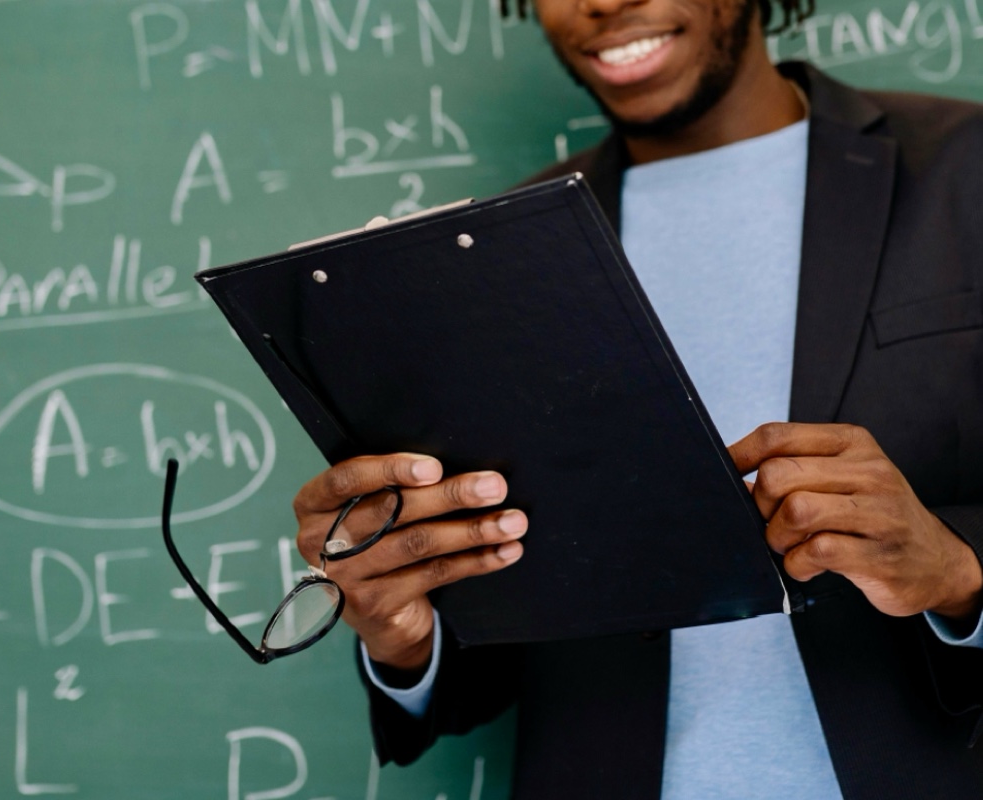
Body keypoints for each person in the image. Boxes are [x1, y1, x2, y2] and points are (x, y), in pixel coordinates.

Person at [291, 0, 983, 797]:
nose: (604, 2)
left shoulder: (963, 169)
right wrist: (406, 636)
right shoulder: (488, 261)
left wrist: (958, 569)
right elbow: (490, 644)